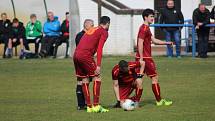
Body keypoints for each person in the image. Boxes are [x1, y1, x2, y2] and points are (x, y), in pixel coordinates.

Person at [136, 9, 173, 106]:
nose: (153, 18)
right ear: (145, 17)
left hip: (142, 57)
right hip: (145, 58)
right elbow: (140, 42)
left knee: (139, 78)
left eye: (153, 16)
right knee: (154, 78)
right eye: (151, 16)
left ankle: (136, 101)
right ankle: (159, 101)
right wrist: (141, 58)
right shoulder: (144, 28)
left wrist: (166, 43)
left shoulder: (146, 28)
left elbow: (153, 40)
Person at [73, 16, 110, 113]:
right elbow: (100, 49)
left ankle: (89, 107)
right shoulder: (104, 32)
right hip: (85, 56)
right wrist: (98, 65)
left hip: (76, 55)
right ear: (108, 24)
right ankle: (96, 106)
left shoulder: (93, 29)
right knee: (97, 77)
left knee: (84, 78)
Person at [75, 19, 94, 110]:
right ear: (86, 25)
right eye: (92, 25)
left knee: (83, 80)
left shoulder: (82, 35)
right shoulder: (81, 36)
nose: (93, 27)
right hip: (83, 60)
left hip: (80, 59)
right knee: (83, 80)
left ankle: (82, 104)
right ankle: (82, 103)